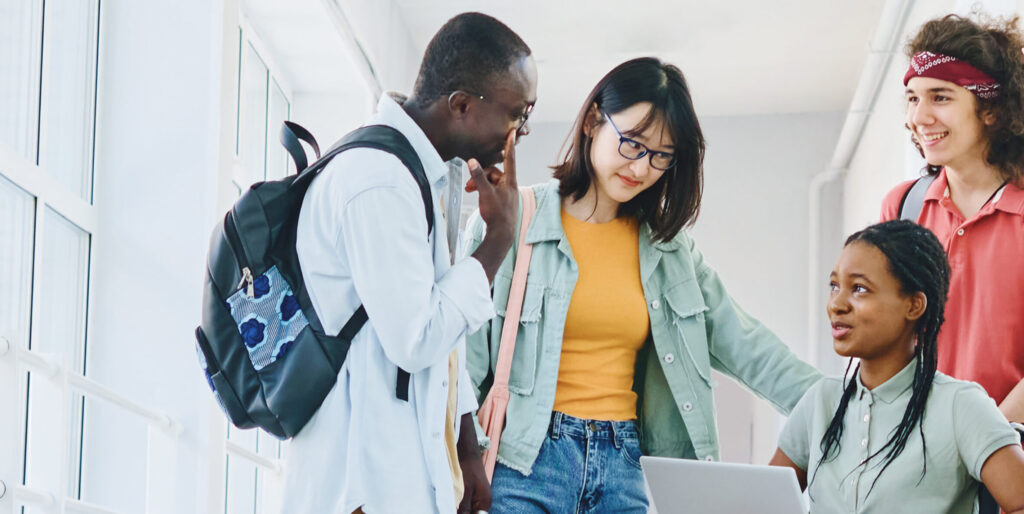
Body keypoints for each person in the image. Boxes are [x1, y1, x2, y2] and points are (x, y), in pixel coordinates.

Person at [463, 57, 821, 512]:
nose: (642, 167)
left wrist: (847, 401)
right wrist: (464, 457)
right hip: (525, 462)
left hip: (623, 467)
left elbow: (749, 346)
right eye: (632, 143)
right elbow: (463, 362)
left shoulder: (671, 253)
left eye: (661, 156)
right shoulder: (512, 219)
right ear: (594, 120)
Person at [282, 12, 537, 514]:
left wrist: (467, 450)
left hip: (396, 473)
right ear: (462, 105)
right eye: (517, 114)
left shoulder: (417, 172)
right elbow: (416, 338)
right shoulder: (379, 179)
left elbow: (442, 325)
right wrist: (498, 240)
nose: (517, 134)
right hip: (359, 484)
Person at [770, 220, 1024, 513]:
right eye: (834, 286)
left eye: (860, 289)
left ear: (914, 306)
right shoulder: (819, 402)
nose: (837, 304)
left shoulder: (959, 405)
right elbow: (759, 504)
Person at [879, 14, 1024, 422]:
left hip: (1012, 456)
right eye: (912, 97)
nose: (919, 117)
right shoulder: (903, 208)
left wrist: (988, 444)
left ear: (990, 110)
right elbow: (887, 342)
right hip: (922, 456)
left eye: (940, 97)